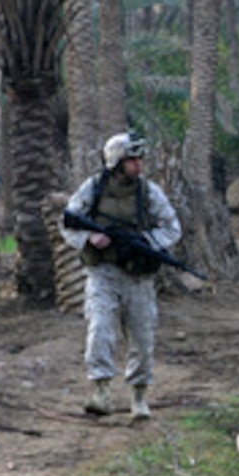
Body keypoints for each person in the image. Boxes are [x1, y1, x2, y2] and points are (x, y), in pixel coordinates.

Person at [59, 131, 181, 419]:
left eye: (140, 159)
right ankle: (100, 391)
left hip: (138, 277)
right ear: (116, 162)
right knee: (100, 329)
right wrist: (90, 238)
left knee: (142, 336)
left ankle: (139, 396)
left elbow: (172, 227)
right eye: (132, 160)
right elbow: (67, 221)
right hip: (103, 272)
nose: (138, 165)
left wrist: (147, 242)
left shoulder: (148, 192)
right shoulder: (93, 188)